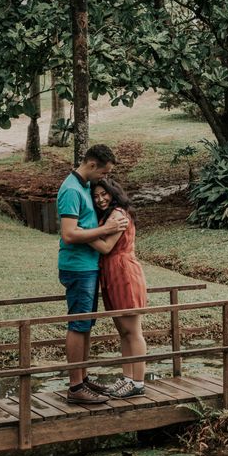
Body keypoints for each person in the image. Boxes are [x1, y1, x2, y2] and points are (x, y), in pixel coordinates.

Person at [57, 144, 128, 404]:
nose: (105, 179)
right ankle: (75, 388)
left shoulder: (85, 186)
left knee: (86, 323)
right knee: (78, 324)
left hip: (89, 265)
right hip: (77, 267)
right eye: (104, 173)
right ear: (91, 165)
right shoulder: (71, 190)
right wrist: (106, 228)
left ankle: (83, 379)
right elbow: (69, 233)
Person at [87, 178, 148, 399]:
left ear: (113, 192)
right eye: (95, 196)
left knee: (133, 331)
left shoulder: (118, 215)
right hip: (112, 273)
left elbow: (106, 246)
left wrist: (80, 233)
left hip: (124, 273)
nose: (100, 199)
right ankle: (127, 378)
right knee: (123, 332)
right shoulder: (108, 216)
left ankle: (138, 382)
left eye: (104, 194)